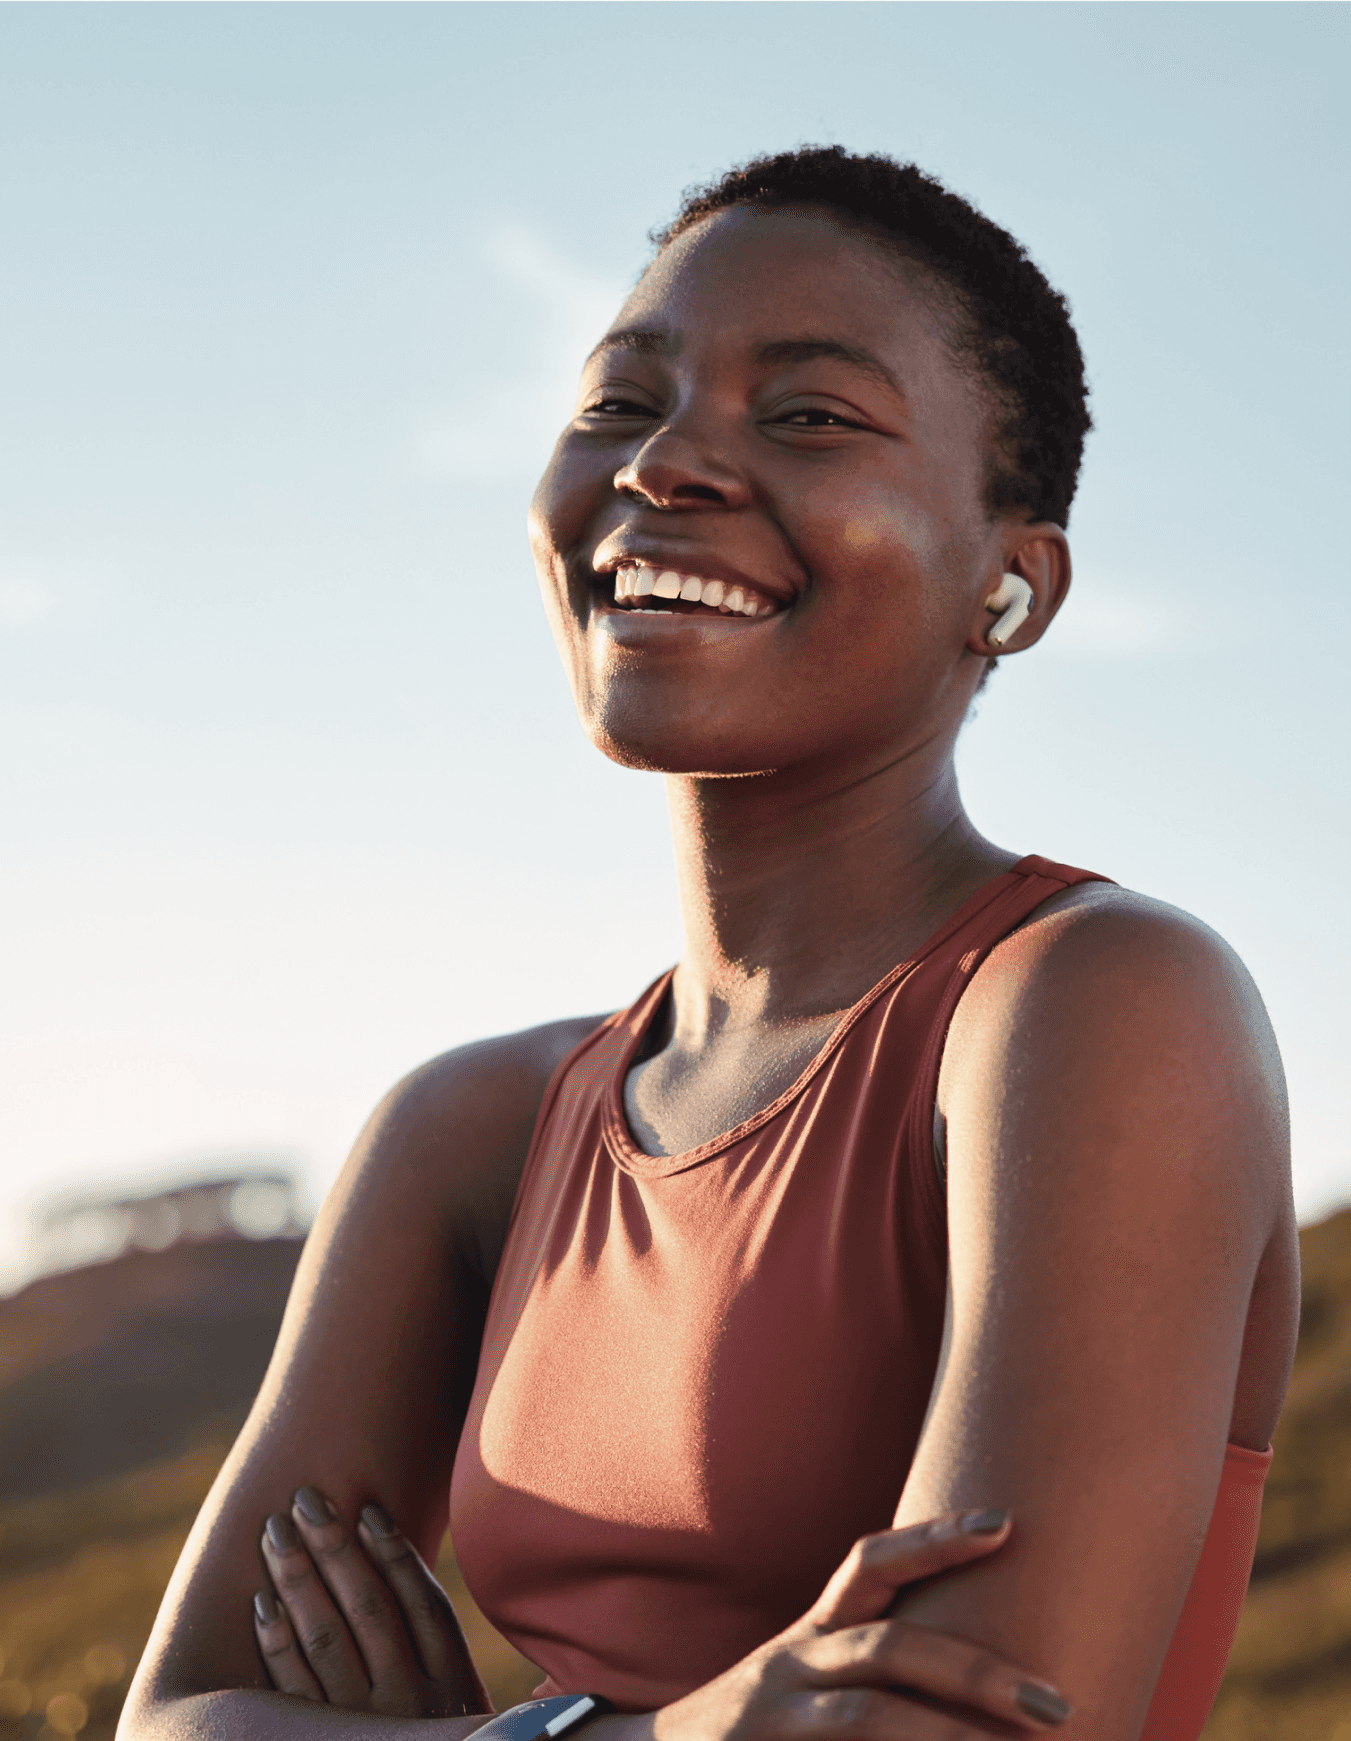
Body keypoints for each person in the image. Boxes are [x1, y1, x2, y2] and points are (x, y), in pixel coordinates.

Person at [115, 147, 1297, 1741]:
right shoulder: (471, 1129)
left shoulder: (1096, 1006)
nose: (664, 463)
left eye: (807, 415)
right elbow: (177, 1720)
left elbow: (953, 1727)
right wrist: (644, 1732)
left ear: (1009, 587)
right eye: (617, 402)